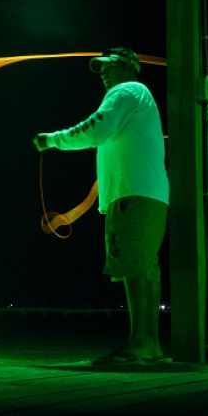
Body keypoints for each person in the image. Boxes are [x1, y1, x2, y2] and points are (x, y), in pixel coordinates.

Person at [33, 47, 170, 364]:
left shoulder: (127, 91)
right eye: (101, 69)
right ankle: (150, 345)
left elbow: (97, 129)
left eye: (110, 67)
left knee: (134, 268)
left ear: (130, 68)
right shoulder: (140, 95)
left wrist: (53, 139)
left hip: (132, 194)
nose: (103, 73)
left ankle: (139, 345)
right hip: (147, 193)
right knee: (145, 269)